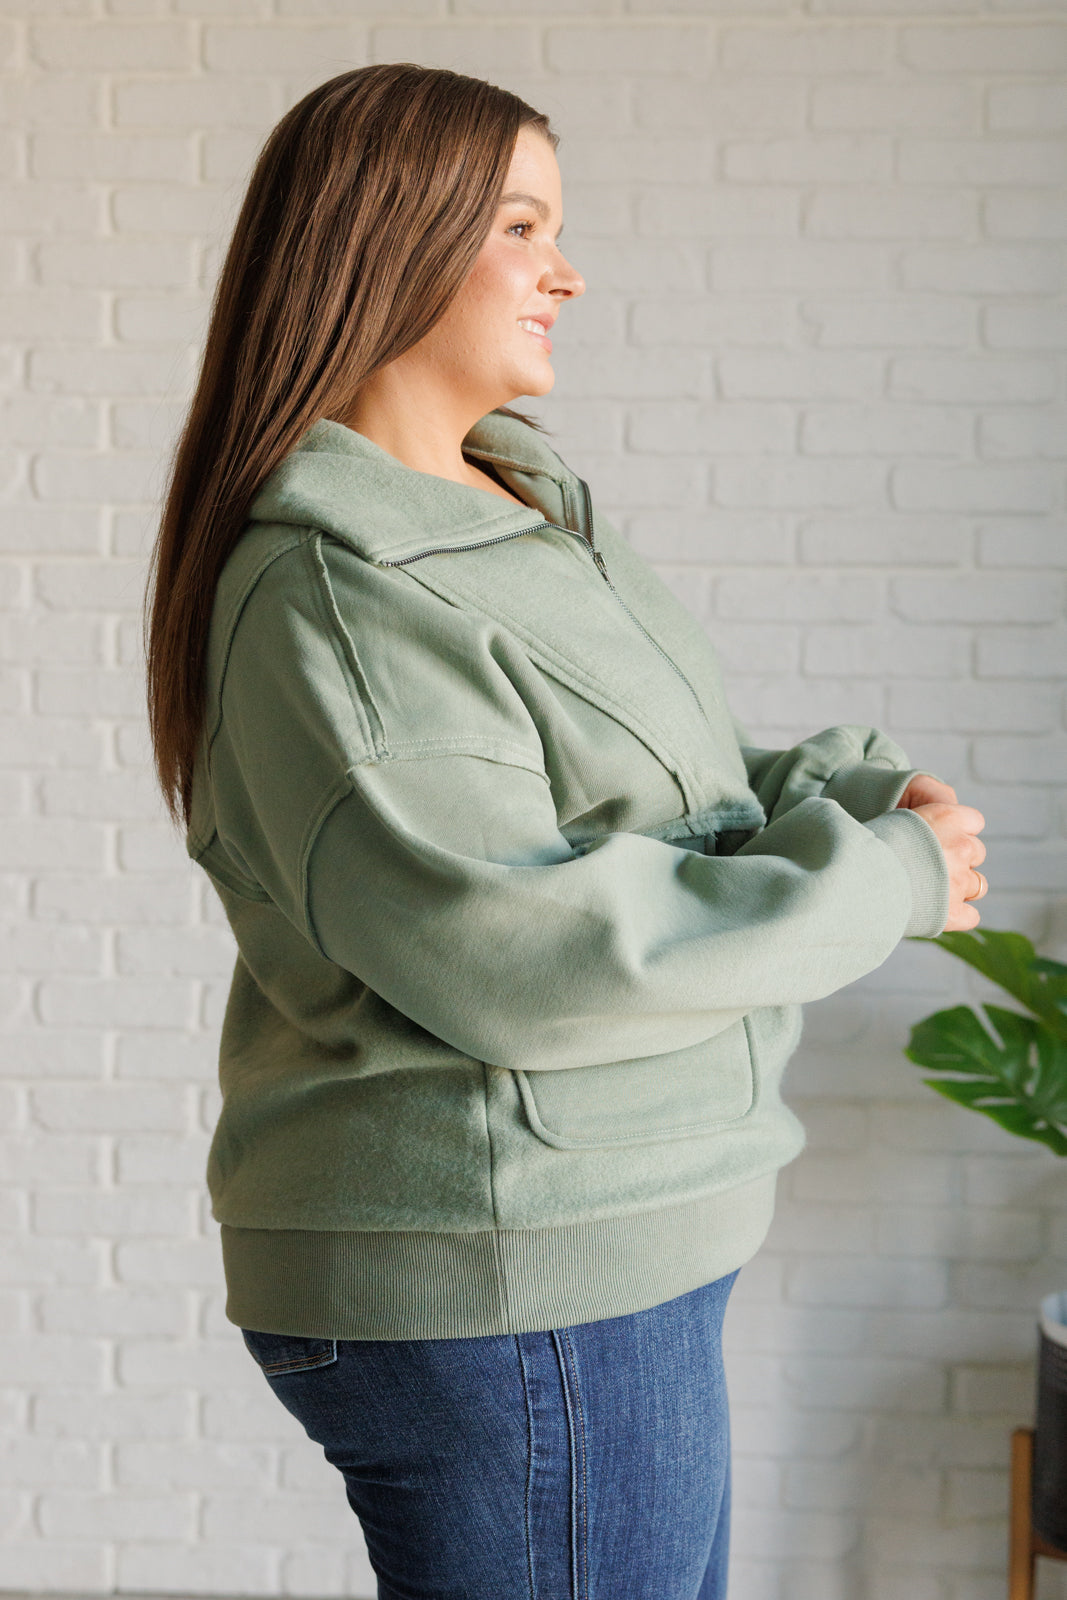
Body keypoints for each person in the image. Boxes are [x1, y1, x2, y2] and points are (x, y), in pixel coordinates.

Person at [144, 62, 988, 1600]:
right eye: (522, 224)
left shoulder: (509, 508)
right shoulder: (342, 591)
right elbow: (516, 952)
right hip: (514, 1276)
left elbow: (657, 783)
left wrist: (856, 796)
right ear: (385, 240)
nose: (567, 270)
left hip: (593, 1254)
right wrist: (878, 886)